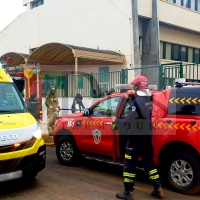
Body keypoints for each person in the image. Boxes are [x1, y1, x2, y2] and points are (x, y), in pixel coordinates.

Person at [113, 76, 164, 200]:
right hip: (146, 136)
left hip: (135, 138)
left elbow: (130, 119)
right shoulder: (148, 99)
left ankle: (128, 193)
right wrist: (129, 99)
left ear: (137, 86)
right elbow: (139, 112)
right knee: (148, 163)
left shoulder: (137, 101)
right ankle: (158, 188)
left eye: (134, 86)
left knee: (129, 165)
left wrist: (117, 121)